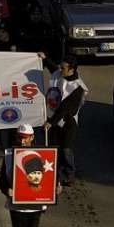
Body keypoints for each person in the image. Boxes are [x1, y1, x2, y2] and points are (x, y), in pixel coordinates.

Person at [0, 125, 56, 227]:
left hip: (35, 207)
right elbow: (2, 181)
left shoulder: (43, 155)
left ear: (31, 138)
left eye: (25, 137)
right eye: (20, 137)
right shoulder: (10, 155)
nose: (23, 140)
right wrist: (6, 190)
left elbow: (50, 178)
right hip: (17, 208)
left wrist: (55, 187)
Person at [42, 54, 87, 186]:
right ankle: (53, 170)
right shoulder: (59, 73)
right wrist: (45, 58)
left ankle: (69, 173)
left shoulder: (77, 88)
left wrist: (50, 122)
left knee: (66, 148)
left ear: (72, 70)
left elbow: (64, 108)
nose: (60, 70)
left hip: (68, 121)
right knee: (53, 145)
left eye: (63, 68)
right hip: (54, 117)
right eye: (61, 67)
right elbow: (52, 68)